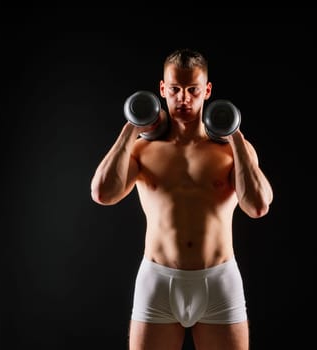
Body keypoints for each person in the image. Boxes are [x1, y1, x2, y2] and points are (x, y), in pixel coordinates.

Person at [90, 48, 273, 350]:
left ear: (207, 91)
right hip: (158, 281)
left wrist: (235, 133)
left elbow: (258, 206)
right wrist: (132, 125)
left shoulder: (231, 152)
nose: (183, 99)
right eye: (174, 89)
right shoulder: (141, 151)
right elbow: (102, 193)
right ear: (161, 90)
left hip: (219, 281)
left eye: (193, 90)